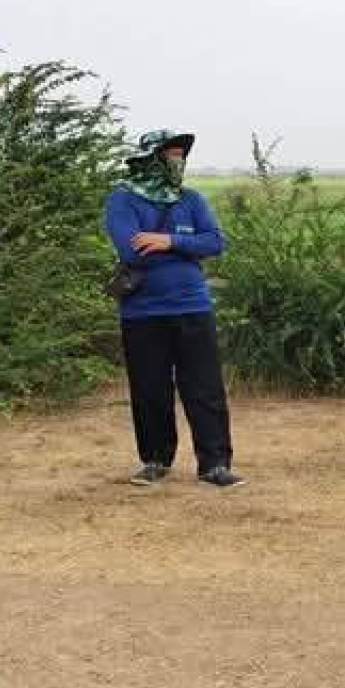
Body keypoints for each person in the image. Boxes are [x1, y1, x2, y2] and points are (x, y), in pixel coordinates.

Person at [105, 129, 242, 488]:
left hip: (193, 305)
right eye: (171, 156)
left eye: (181, 156)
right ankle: (155, 460)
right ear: (151, 158)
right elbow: (131, 250)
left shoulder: (191, 199)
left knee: (205, 387)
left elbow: (215, 242)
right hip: (142, 311)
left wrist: (168, 240)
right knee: (149, 389)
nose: (178, 163)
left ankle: (215, 464)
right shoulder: (122, 200)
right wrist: (188, 245)